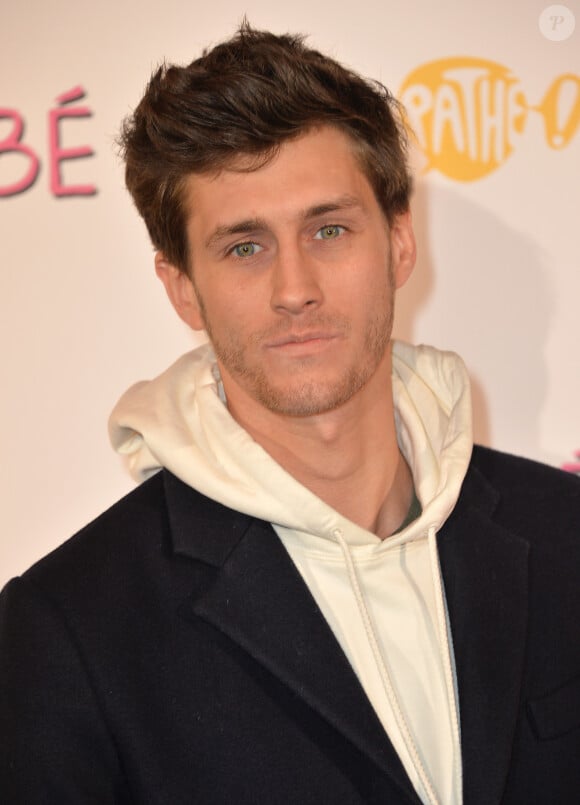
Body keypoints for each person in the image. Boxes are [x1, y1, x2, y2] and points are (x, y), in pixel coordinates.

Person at [1, 24, 579, 805]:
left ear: (400, 243)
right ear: (180, 287)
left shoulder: (567, 531)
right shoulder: (65, 630)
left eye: (329, 229)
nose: (294, 287)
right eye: (245, 247)